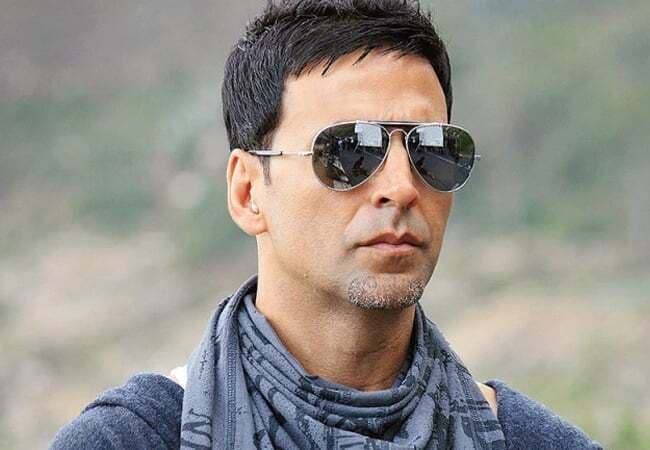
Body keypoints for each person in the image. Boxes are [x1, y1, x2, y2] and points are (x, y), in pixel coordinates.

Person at [50, 1, 604, 448]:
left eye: (432, 150)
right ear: (247, 192)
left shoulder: (533, 441)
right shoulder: (131, 438)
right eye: (348, 150)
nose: (401, 186)